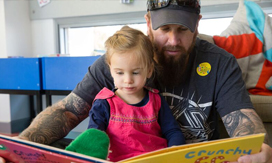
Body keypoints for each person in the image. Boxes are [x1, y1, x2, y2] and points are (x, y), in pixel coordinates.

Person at [1, 0, 271, 163]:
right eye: (164, 29)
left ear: (197, 24)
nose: (173, 40)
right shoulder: (122, 62)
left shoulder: (220, 63)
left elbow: (242, 118)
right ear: (148, 22)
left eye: (183, 30)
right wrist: (20, 147)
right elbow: (69, 110)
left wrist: (255, 147)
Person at [69, 26, 185, 162]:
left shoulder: (157, 100)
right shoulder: (104, 103)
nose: (128, 80)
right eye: (119, 73)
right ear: (111, 71)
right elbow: (94, 137)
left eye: (135, 72)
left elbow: (172, 131)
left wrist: (175, 151)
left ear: (149, 70)